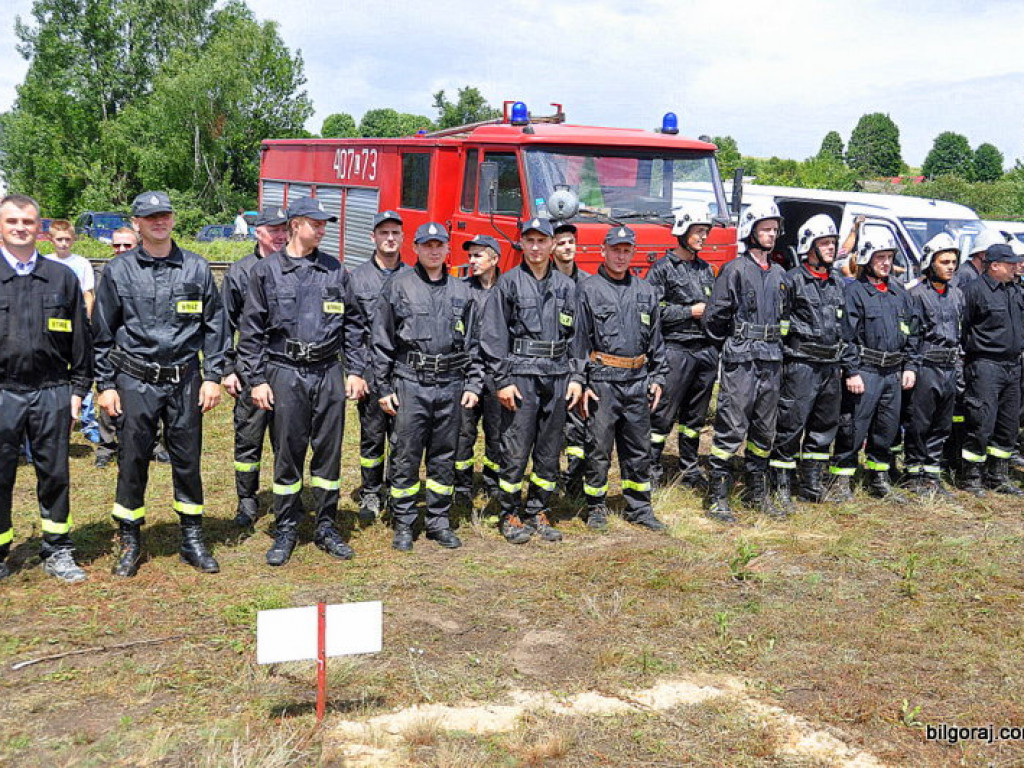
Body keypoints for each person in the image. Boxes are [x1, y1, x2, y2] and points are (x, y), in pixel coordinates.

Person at [92, 191, 228, 578]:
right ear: (136, 223)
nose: (159, 222)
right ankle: (131, 539)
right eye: (150, 217)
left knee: (187, 461)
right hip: (134, 380)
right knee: (132, 460)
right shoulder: (119, 272)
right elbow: (102, 332)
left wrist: (213, 375)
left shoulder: (197, 269)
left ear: (172, 219)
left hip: (185, 380)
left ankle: (192, 538)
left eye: (164, 215)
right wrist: (107, 384)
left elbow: (215, 327)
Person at [238, 197, 368, 565]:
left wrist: (355, 370)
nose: (322, 229)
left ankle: (326, 525)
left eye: (325, 224)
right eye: (316, 223)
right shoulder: (266, 272)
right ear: (295, 224)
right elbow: (251, 333)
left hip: (327, 372)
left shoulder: (335, 271)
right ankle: (286, 526)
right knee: (288, 452)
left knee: (328, 453)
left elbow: (353, 326)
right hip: (284, 372)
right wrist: (257, 379)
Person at [372, 222, 483, 551]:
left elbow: (474, 344)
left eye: (440, 244)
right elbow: (381, 340)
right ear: (416, 249)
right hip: (410, 382)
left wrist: (474, 383)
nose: (434, 250)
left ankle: (438, 521)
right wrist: (382, 387)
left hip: (451, 383)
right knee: (405, 455)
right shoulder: (398, 286)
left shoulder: (463, 292)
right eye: (427, 245)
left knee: (443, 456)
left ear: (448, 248)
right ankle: (404, 522)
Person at [0, 194, 93, 583]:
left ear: (40, 228)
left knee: (54, 473)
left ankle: (58, 548)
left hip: (52, 391)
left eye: (28, 221)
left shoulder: (61, 277)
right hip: (3, 391)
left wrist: (78, 390)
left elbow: (82, 343)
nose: (20, 227)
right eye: (12, 221)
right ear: (1, 226)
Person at [481, 219, 576, 544]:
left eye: (542, 240)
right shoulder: (507, 284)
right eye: (529, 240)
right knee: (516, 449)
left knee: (549, 451)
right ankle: (509, 512)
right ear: (521, 244)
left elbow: (578, 337)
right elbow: (493, 336)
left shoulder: (566, 287)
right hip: (520, 376)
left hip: (558, 375)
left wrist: (576, 377)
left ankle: (538, 510)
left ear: (552, 244)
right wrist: (502, 380)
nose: (535, 247)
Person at [571, 225, 668, 532]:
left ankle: (639, 507)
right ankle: (596, 507)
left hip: (638, 380)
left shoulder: (645, 291)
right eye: (616, 250)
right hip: (602, 382)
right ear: (604, 251)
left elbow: (657, 340)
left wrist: (658, 377)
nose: (621, 256)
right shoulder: (588, 289)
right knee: (599, 448)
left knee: (638, 448)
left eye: (627, 250)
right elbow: (578, 342)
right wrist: (582, 381)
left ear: (632, 253)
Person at [703, 201, 787, 521]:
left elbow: (786, 317)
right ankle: (717, 499)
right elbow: (714, 317)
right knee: (731, 427)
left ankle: (756, 492)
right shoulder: (734, 269)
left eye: (774, 230)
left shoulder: (780, 273)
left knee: (765, 430)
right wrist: (730, 342)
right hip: (741, 359)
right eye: (765, 229)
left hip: (771, 360)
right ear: (751, 230)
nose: (771, 234)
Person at [829, 228, 919, 502]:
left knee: (887, 428)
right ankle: (840, 478)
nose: (885, 263)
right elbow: (846, 334)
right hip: (866, 370)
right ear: (868, 258)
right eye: (880, 257)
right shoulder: (855, 292)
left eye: (889, 257)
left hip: (893, 372)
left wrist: (911, 366)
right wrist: (852, 371)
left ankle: (878, 477)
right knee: (854, 426)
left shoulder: (899, 292)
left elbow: (913, 331)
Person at [768, 214, 846, 509]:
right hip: (801, 364)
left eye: (833, 243)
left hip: (830, 366)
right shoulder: (792, 281)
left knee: (824, 427)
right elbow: (779, 324)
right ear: (809, 247)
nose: (831, 248)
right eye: (825, 243)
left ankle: (811, 483)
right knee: (791, 425)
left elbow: (845, 327)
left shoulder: (838, 282)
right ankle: (781, 485)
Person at [221, 205, 289, 528]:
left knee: (286, 439)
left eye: (284, 229)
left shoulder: (294, 268)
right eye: (273, 229)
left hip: (285, 370)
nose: (280, 235)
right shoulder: (239, 272)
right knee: (248, 438)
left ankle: (285, 501)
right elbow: (223, 325)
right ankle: (247, 501)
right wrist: (226, 368)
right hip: (249, 369)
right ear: (257, 232)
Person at [646, 202, 719, 491]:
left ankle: (688, 468)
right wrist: (690, 312)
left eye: (706, 232)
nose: (703, 237)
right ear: (683, 231)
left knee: (695, 417)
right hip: (674, 350)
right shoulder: (662, 269)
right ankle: (649, 467)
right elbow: (653, 312)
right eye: (699, 231)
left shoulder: (706, 269)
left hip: (704, 351)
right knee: (662, 412)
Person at [349, 211, 409, 526]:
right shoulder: (356, 279)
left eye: (395, 233)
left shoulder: (413, 277)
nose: (389, 238)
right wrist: (356, 372)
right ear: (373, 237)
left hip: (405, 373)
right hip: (371, 372)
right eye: (383, 232)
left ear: (403, 238)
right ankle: (371, 491)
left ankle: (395, 488)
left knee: (401, 437)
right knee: (372, 437)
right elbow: (351, 331)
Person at [93, 227, 172, 468]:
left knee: (147, 398)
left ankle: (154, 444)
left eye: (127, 245)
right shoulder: (103, 273)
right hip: (112, 345)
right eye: (117, 245)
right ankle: (106, 446)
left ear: (137, 244)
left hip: (138, 349)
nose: (121, 250)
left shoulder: (146, 272)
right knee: (109, 398)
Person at [958, 243, 1024, 496]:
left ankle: (997, 474)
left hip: (1012, 366)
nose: (1016, 267)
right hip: (985, 365)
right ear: (994, 265)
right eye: (1010, 264)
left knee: (1008, 424)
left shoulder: (1015, 291)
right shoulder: (973, 291)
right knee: (980, 421)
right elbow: (962, 329)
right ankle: (971, 476)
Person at [903, 233, 962, 496]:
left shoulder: (958, 295)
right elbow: (910, 335)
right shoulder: (915, 295)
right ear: (930, 263)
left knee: (942, 424)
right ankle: (913, 474)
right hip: (926, 365)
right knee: (919, 422)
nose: (950, 266)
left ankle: (932, 474)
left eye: (953, 262)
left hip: (950, 367)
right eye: (944, 261)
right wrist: (911, 368)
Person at [454, 234, 502, 506]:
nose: (471, 261)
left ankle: (493, 483)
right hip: (466, 374)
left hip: (497, 375)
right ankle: (461, 486)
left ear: (494, 258)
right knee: (463, 432)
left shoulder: (507, 289)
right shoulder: (462, 290)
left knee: (497, 433)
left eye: (478, 255)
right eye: (470, 255)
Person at [45, 220, 99, 445]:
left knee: (81, 372)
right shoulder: (45, 263)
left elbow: (88, 293)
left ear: (73, 239)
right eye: (59, 239)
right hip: (52, 329)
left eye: (68, 239)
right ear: (51, 240)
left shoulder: (81, 263)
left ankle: (88, 421)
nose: (64, 243)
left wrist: (84, 321)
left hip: (75, 327)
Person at [551, 222, 589, 494]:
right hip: (551, 365)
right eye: (561, 242)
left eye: (571, 242)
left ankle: (575, 481)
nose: (567, 247)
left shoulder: (588, 283)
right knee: (551, 426)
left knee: (579, 425)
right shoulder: (544, 281)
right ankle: (549, 479)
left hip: (579, 364)